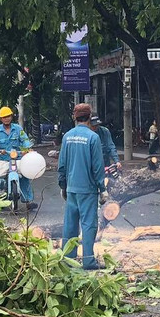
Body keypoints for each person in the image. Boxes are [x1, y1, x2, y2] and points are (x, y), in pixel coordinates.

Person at [58, 103, 105, 270]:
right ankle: (88, 260)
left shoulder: (67, 136)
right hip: (88, 189)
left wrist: (63, 185)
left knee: (70, 225)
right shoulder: (93, 137)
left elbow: (61, 165)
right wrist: (102, 189)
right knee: (89, 225)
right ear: (89, 116)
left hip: (71, 189)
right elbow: (98, 167)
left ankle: (67, 260)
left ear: (75, 117)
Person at [0, 106, 34, 204]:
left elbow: (24, 139)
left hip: (17, 157)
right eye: (4, 117)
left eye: (8, 116)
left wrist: (28, 149)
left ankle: (28, 200)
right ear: (1, 119)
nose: (6, 118)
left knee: (25, 174)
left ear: (11, 117)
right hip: (1, 157)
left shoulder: (18, 128)